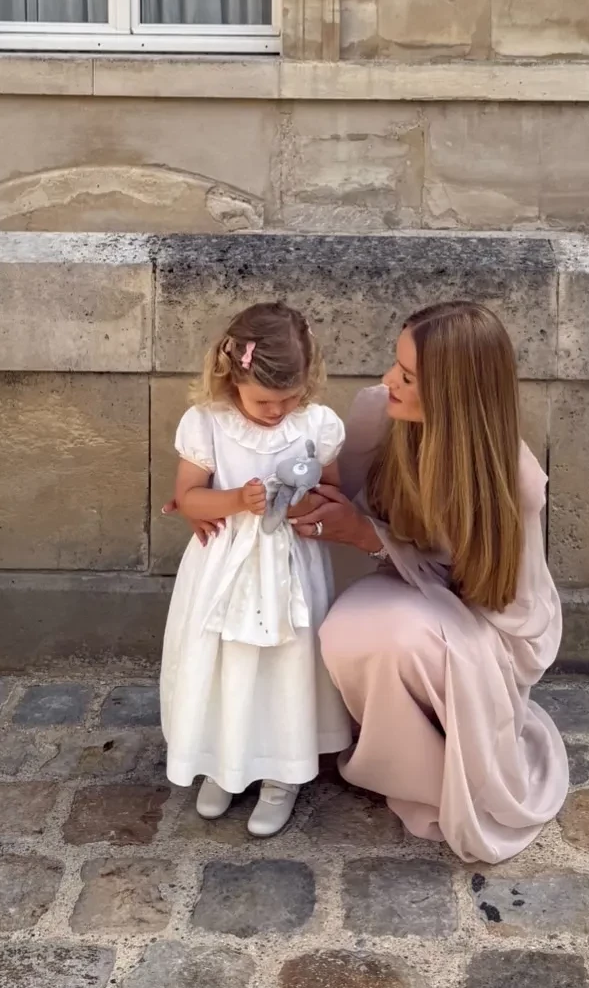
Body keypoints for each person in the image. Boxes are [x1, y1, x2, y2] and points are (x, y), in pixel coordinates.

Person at [293, 301, 570, 863]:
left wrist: (371, 539)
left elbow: (510, 606)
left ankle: (446, 775)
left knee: (404, 639)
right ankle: (404, 765)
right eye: (395, 365)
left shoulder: (513, 480)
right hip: (402, 583)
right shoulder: (378, 416)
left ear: (453, 393)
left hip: (490, 622)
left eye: (408, 376)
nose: (388, 380)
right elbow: (335, 495)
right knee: (348, 631)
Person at [160, 301, 351, 838]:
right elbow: (188, 498)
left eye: (289, 398)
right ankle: (222, 760)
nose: (277, 411)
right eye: (265, 400)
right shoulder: (208, 424)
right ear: (233, 376)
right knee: (225, 663)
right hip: (224, 568)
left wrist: (301, 497)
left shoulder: (316, 424)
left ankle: (281, 772)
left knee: (285, 666)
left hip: (290, 568)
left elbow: (334, 492)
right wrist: (234, 501)